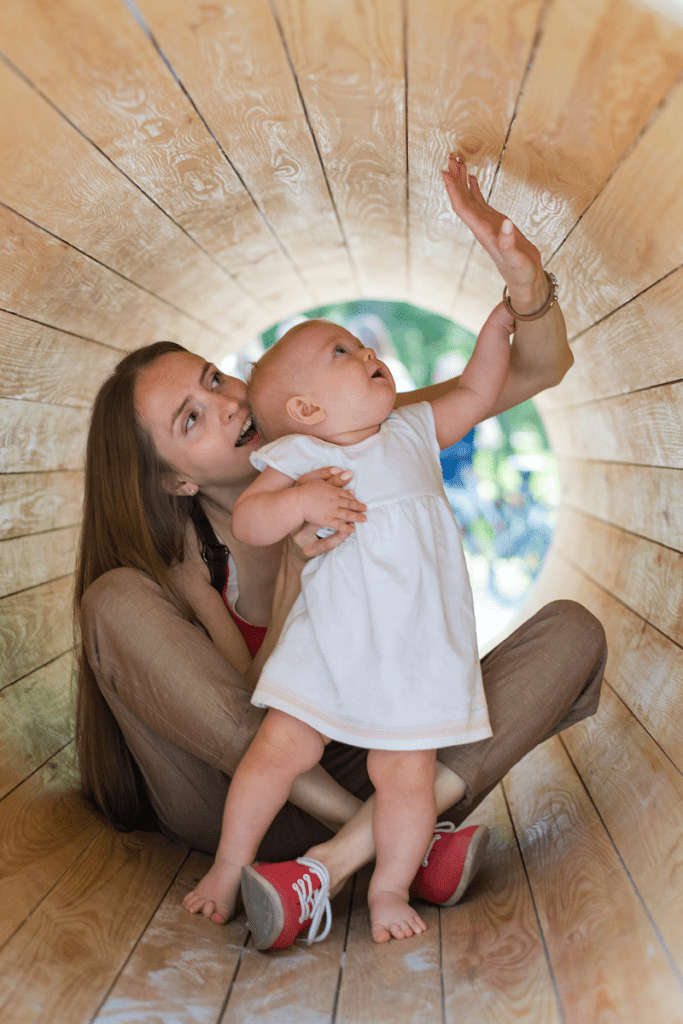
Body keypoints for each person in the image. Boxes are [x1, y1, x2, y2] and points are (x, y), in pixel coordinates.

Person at [75, 155, 607, 951]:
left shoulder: (358, 428)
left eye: (215, 380)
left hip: (386, 765)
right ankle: (385, 839)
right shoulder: (180, 569)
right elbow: (256, 709)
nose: (226, 404)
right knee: (109, 602)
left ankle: (346, 858)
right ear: (176, 482)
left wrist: (521, 283)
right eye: (191, 420)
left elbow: (535, 366)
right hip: (234, 797)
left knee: (572, 632)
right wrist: (294, 562)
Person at [181, 298, 515, 944]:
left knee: (405, 775)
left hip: (412, 650)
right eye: (341, 352)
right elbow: (253, 520)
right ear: (307, 412)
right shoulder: (302, 455)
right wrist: (301, 499)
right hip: (330, 643)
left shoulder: (414, 427)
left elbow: (476, 390)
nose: (367, 352)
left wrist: (498, 328)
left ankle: (389, 886)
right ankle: (228, 866)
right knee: (277, 749)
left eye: (359, 347)